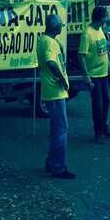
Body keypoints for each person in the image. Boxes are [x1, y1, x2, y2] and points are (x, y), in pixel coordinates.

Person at [36, 14, 75, 179]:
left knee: (57, 130)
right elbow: (51, 62)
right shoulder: (48, 42)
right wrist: (61, 79)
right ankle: (58, 167)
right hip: (55, 91)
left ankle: (51, 163)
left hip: (53, 90)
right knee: (61, 130)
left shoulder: (46, 40)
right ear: (55, 26)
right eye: (60, 25)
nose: (61, 27)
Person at [78, 6, 110, 144]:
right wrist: (86, 76)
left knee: (106, 101)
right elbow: (81, 56)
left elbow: (103, 50)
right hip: (94, 75)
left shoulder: (100, 29)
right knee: (97, 104)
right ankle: (98, 133)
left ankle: (104, 127)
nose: (108, 18)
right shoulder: (87, 33)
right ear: (100, 18)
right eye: (106, 16)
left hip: (104, 73)